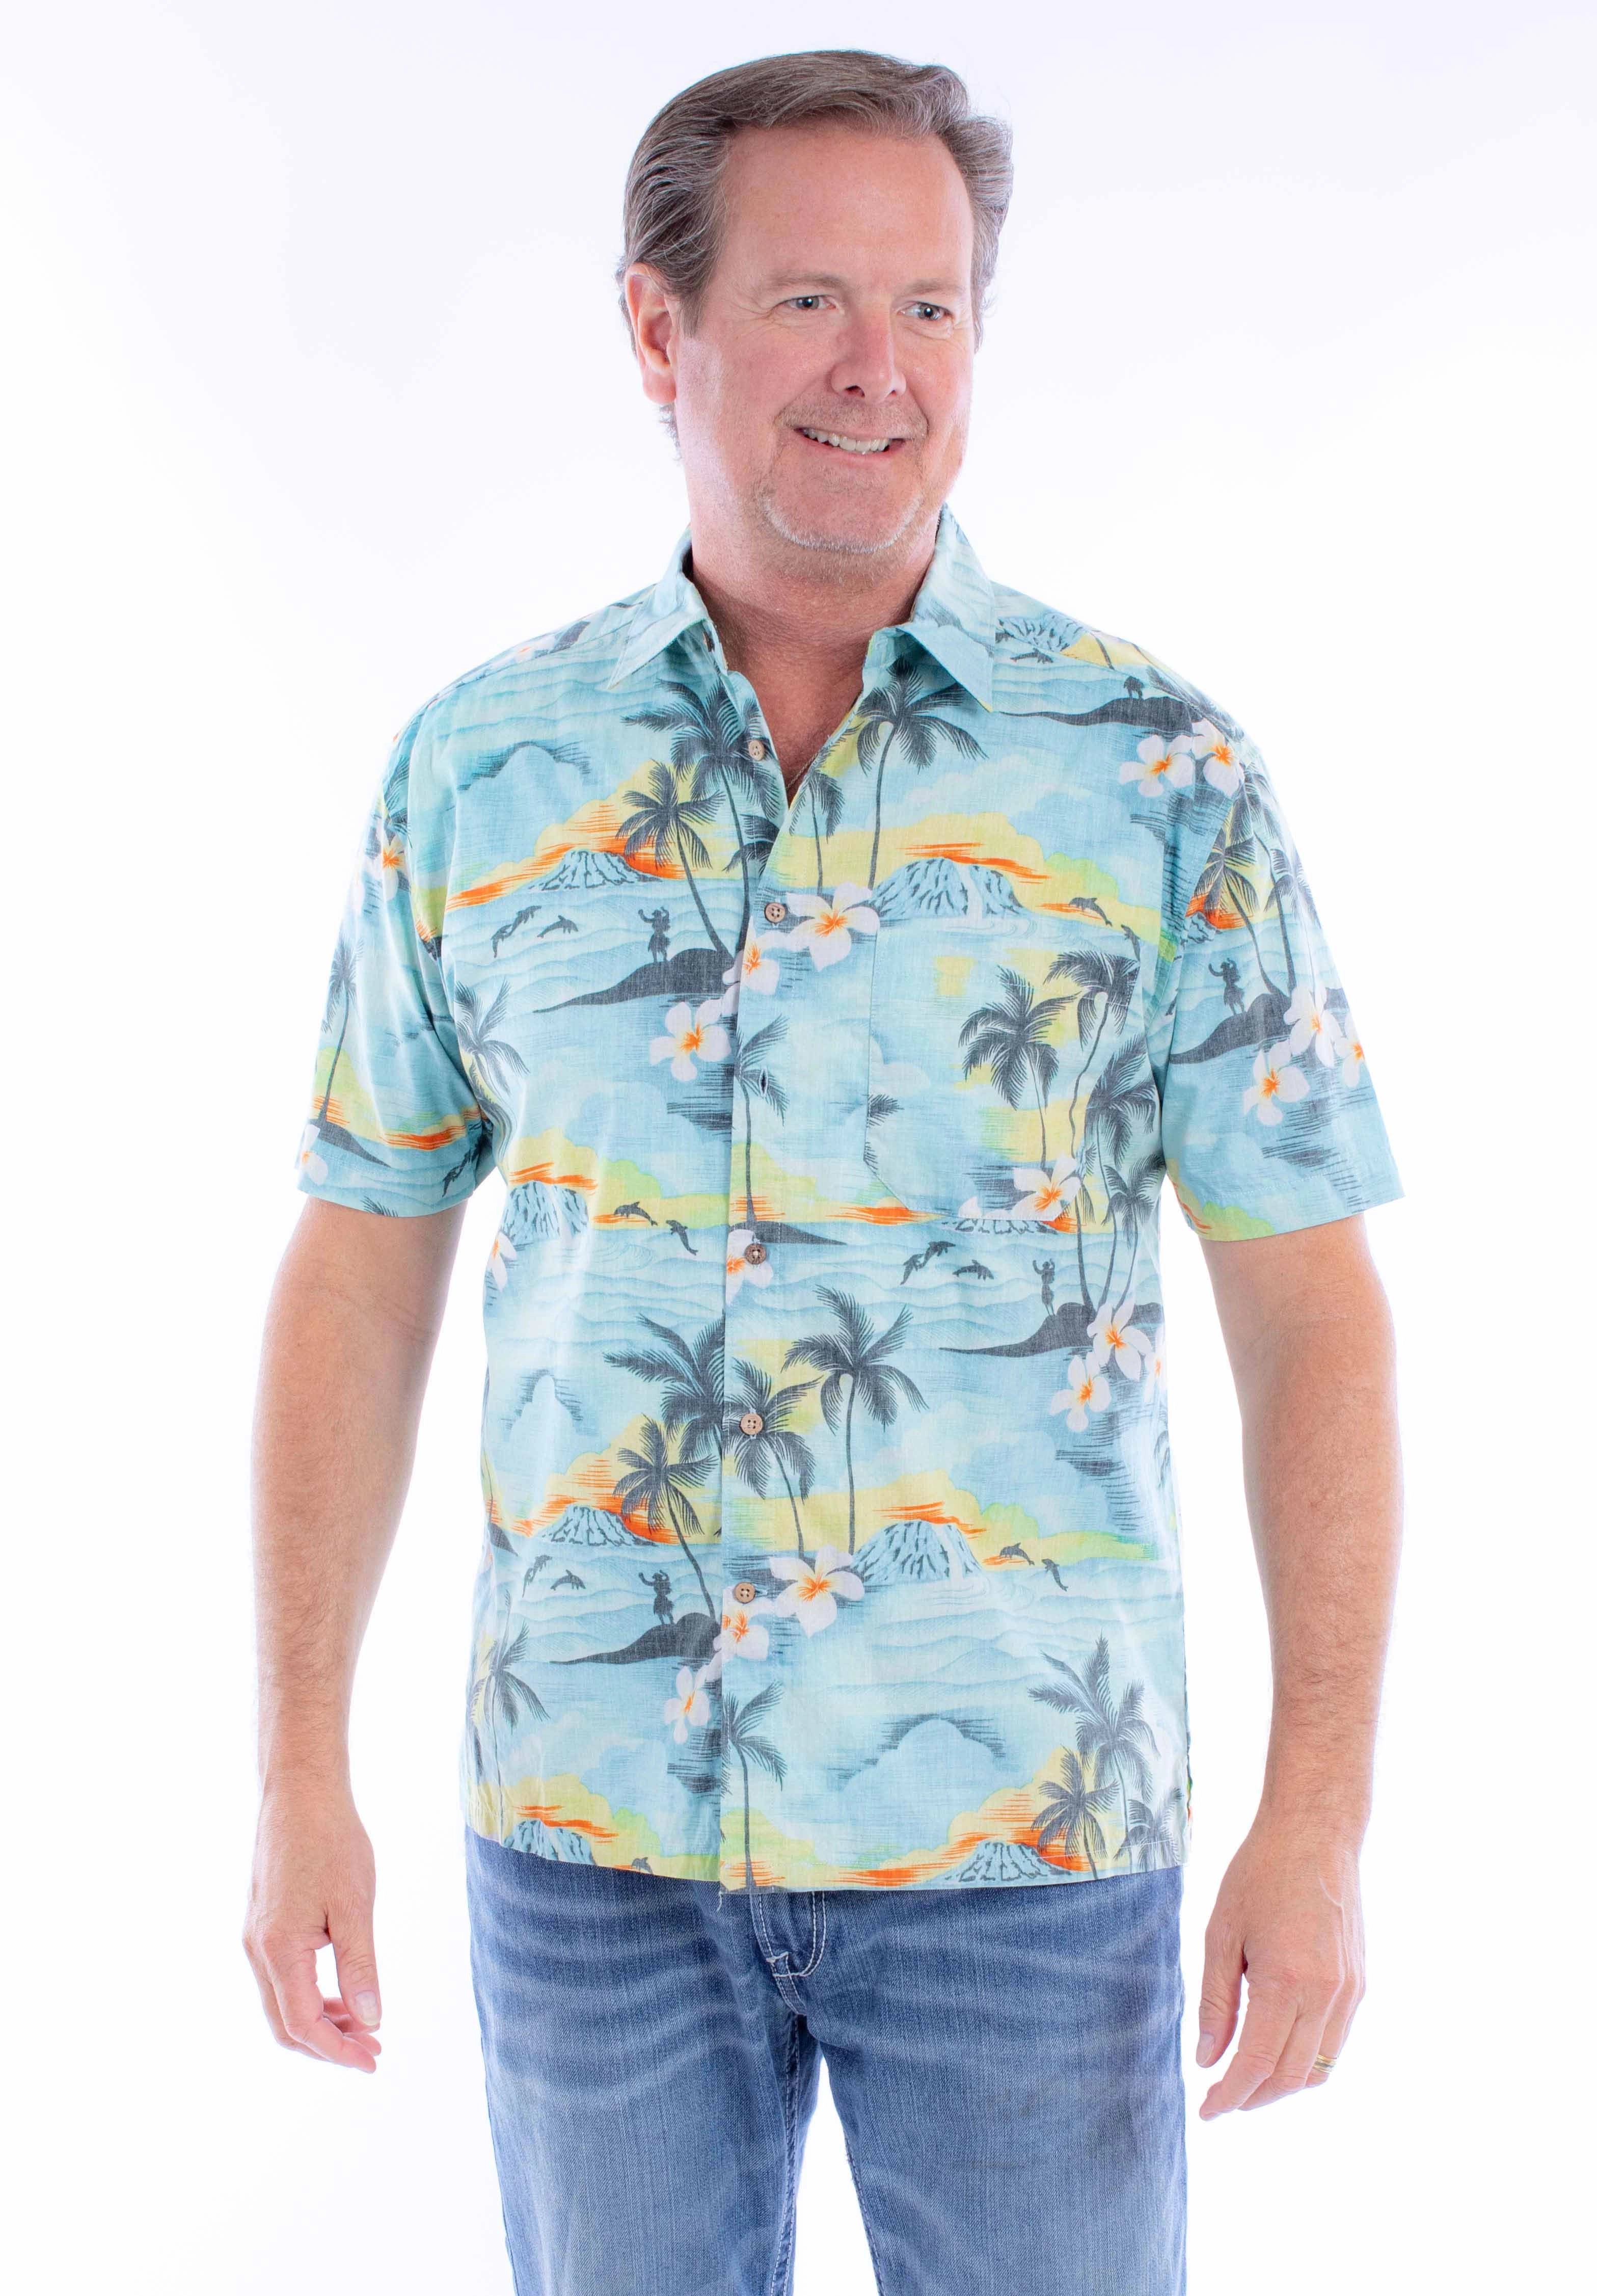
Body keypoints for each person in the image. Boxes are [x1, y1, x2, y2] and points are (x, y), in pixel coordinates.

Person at [245, 48, 1403, 2296]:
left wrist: (1321, 1814)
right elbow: (362, 1260)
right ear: (656, 328)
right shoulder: (481, 772)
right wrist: (299, 1765)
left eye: (932, 305)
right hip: (588, 1840)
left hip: (1027, 1847)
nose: (883, 367)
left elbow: (1312, 1312)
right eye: (808, 302)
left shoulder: (1155, 776)